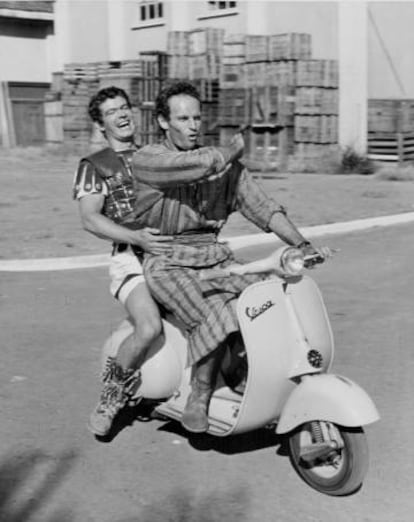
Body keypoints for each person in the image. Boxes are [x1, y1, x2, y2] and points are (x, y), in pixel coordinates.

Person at [129, 81, 329, 433]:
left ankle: (245, 368)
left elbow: (262, 207)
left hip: (214, 254)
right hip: (167, 259)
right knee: (217, 308)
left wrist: (302, 244)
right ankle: (201, 391)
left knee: (268, 291)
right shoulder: (150, 160)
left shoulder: (226, 167)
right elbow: (196, 166)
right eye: (183, 118)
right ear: (163, 122)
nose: (193, 125)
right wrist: (229, 152)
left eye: (196, 118)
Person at [73, 86, 244, 437]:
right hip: (131, 258)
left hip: (174, 253)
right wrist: (134, 237)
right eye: (111, 112)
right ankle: (111, 395)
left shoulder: (155, 154)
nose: (121, 115)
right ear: (99, 123)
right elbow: (90, 219)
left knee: (226, 303)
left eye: (124, 108)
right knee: (149, 326)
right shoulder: (96, 166)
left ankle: (223, 381)